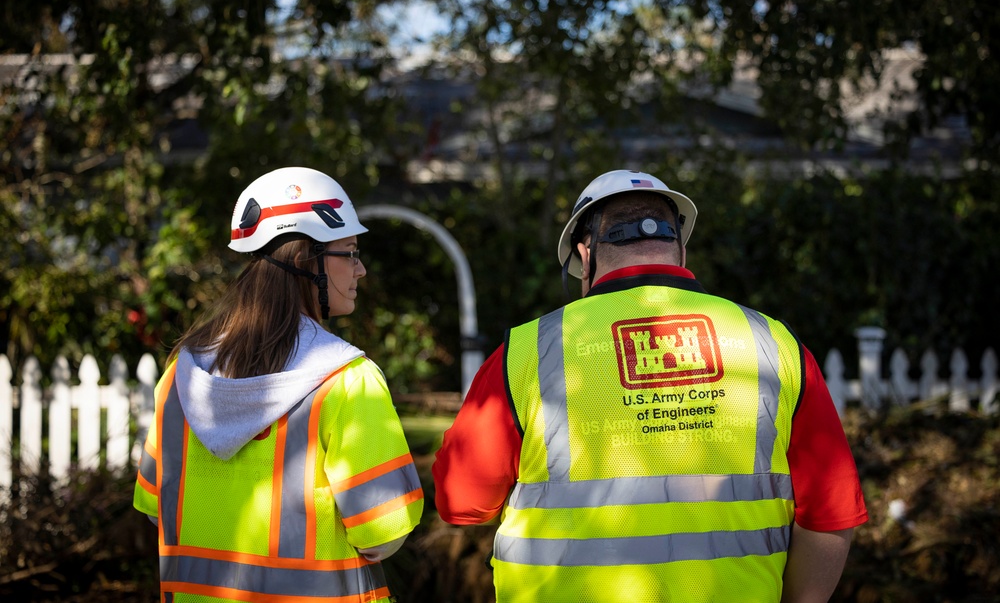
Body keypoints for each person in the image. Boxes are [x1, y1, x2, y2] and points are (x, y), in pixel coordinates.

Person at [432, 169, 868, 603]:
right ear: (680, 248)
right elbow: (832, 513)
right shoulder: (774, 343)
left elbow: (463, 502)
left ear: (585, 256)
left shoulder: (528, 351)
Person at [134, 166, 424, 603]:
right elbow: (382, 530)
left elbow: (157, 508)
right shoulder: (346, 381)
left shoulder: (180, 373)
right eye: (350, 251)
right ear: (308, 261)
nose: (360, 270)